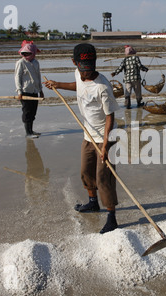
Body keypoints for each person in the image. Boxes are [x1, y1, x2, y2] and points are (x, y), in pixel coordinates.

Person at [43, 44, 120, 234]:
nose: (86, 74)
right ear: (75, 63)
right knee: (86, 172)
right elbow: (80, 86)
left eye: (89, 69)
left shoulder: (103, 87)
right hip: (88, 134)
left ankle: (112, 218)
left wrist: (105, 145)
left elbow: (110, 117)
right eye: (82, 69)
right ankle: (93, 203)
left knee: (104, 178)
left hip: (106, 137)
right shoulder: (79, 74)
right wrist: (58, 84)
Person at [15, 40, 44, 138]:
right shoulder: (21, 62)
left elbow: (38, 77)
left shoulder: (36, 62)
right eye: (25, 53)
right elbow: (17, 77)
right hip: (25, 91)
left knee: (33, 112)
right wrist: (19, 91)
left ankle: (31, 131)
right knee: (27, 112)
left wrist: (40, 90)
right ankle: (28, 133)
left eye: (28, 53)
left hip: (34, 91)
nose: (26, 55)